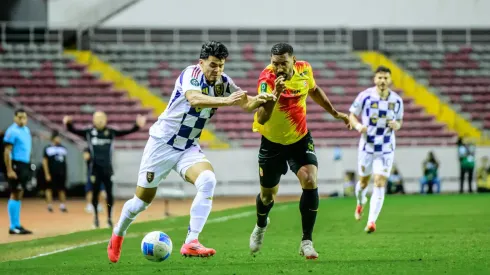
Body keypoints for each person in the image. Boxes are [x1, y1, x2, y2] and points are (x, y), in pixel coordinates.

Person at [106, 41, 275, 263]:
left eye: (221, 65)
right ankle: (118, 233)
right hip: (162, 144)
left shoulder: (224, 82)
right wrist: (226, 101)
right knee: (141, 201)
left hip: (187, 146)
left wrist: (264, 99)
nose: (217, 70)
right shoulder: (191, 74)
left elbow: (245, 104)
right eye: (213, 65)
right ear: (201, 62)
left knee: (207, 180)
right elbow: (194, 99)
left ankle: (191, 242)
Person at [248, 43, 351, 260]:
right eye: (275, 63)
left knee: (310, 179)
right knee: (267, 197)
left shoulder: (305, 70)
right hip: (272, 143)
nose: (279, 68)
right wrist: (276, 92)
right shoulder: (266, 79)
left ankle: (307, 241)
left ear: (293, 61)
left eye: (283, 63)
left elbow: (313, 90)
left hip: (300, 139)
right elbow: (261, 118)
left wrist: (334, 113)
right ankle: (260, 225)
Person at [63, 111, 146, 228]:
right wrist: (68, 124)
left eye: (102, 118)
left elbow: (125, 132)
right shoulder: (89, 132)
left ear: (106, 120)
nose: (100, 120)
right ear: (93, 120)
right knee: (95, 193)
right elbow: (74, 130)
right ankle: (96, 218)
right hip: (94, 169)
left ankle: (109, 218)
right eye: (97, 118)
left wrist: (137, 126)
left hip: (107, 169)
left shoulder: (110, 132)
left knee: (109, 194)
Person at [348, 66, 404, 233]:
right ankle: (360, 202)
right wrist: (358, 126)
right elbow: (351, 114)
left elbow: (399, 121)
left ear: (390, 80)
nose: (382, 81)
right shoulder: (365, 96)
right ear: (375, 79)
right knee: (364, 181)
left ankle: (371, 221)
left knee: (379, 182)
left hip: (386, 147)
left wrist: (397, 125)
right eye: (380, 77)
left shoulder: (397, 100)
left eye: (386, 78)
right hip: (367, 146)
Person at [3, 108, 33, 234]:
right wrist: (9, 169)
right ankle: (12, 226)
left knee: (20, 192)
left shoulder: (26, 130)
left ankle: (17, 224)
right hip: (16, 164)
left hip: (24, 164)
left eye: (24, 117)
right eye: (19, 117)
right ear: (15, 118)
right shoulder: (12, 131)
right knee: (15, 193)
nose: (22, 120)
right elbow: (7, 151)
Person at [42, 130, 68, 212]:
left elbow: (64, 161)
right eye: (58, 137)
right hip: (51, 172)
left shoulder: (63, 148)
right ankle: (49, 205)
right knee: (49, 188)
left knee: (62, 189)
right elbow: (45, 161)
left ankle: (62, 205)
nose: (59, 139)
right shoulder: (48, 148)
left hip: (61, 172)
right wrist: (46, 173)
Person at [83, 147, 106, 214]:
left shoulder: (101, 151)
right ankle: (89, 205)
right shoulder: (89, 149)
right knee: (90, 190)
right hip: (91, 174)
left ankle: (98, 205)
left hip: (100, 174)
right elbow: (86, 157)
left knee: (101, 191)